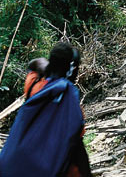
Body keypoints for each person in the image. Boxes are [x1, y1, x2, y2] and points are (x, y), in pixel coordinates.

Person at [0, 42, 91, 177]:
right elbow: (76, 140)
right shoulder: (69, 97)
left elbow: (34, 63)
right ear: (71, 69)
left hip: (9, 165)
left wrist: (46, 67)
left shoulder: (34, 85)